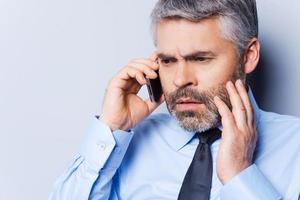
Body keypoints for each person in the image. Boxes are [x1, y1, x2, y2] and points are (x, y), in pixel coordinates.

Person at [49, 0, 300, 199]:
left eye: (201, 58)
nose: (180, 80)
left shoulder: (295, 148)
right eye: (168, 61)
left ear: (248, 56)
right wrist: (112, 128)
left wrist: (240, 176)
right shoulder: (129, 142)